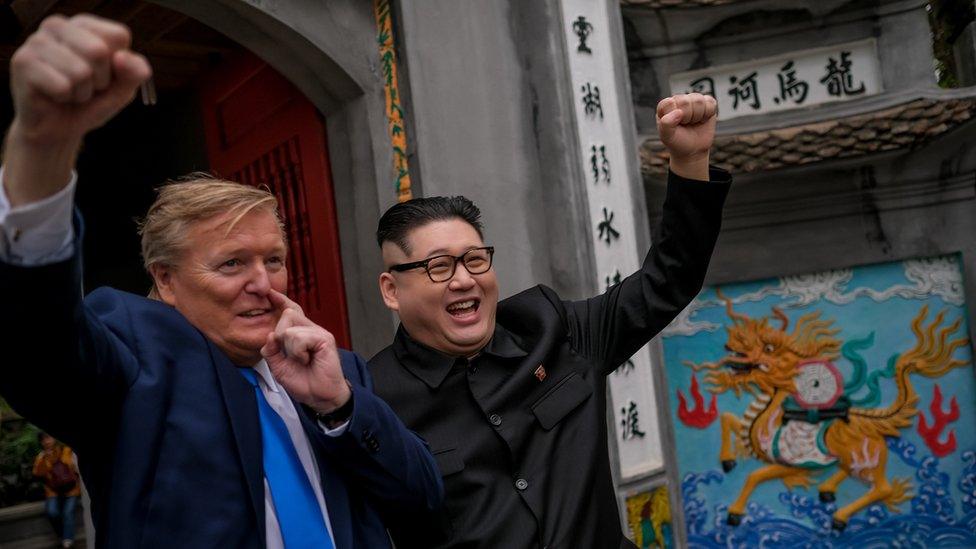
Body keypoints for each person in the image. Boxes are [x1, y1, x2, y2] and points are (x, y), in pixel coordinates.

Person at [0, 13, 442, 548]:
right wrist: (40, 156)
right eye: (232, 263)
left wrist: (340, 406)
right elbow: (38, 343)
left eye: (273, 260)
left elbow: (422, 500)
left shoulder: (337, 371)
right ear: (165, 278)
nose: (262, 282)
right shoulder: (134, 357)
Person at [369, 92, 728, 548]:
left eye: (476, 260)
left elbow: (668, 280)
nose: (463, 280)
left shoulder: (552, 330)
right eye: (439, 267)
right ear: (391, 290)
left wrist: (690, 158)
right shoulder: (372, 399)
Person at [33, 433, 81, 548]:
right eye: (44, 440)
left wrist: (59, 457)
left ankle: (67, 540)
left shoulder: (66, 451)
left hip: (71, 489)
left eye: (49, 438)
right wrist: (45, 459)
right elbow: (37, 473)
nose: (47, 442)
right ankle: (62, 535)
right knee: (52, 512)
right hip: (53, 491)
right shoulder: (41, 457)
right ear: (41, 442)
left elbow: (73, 467)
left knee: (68, 513)